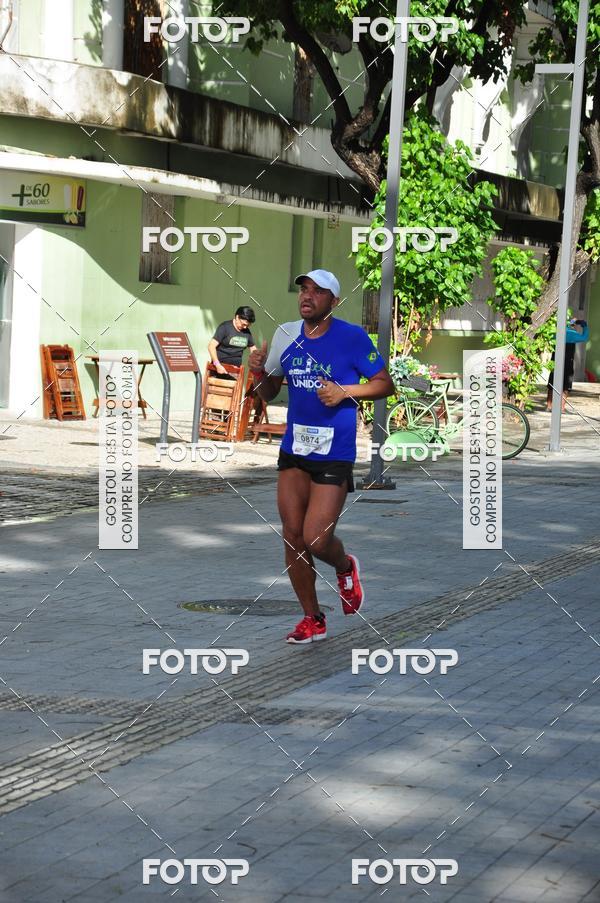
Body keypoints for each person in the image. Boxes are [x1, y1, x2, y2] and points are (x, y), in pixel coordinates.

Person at [248, 269, 394, 644]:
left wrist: (346, 391)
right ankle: (312, 618)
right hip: (295, 450)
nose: (307, 296)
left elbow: (384, 383)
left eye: (318, 291)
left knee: (316, 538)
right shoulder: (285, 334)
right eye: (304, 289)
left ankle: (345, 566)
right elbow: (268, 392)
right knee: (293, 537)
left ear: (334, 301)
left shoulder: (351, 337)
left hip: (334, 453)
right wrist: (258, 372)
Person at [546, 317, 589, 412]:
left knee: (551, 385)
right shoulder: (573, 334)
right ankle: (561, 408)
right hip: (568, 363)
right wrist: (584, 326)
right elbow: (585, 337)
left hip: (555, 362)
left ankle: (549, 406)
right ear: (572, 325)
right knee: (566, 386)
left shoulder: (555, 333)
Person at [208, 306, 257, 375]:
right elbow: (211, 346)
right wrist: (217, 364)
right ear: (237, 317)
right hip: (219, 368)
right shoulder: (224, 327)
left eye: (248, 325)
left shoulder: (246, 332)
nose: (245, 327)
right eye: (243, 324)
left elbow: (253, 348)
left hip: (235, 371)